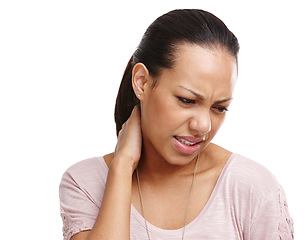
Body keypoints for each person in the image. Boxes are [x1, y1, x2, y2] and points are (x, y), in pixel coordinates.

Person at [59, 9, 294, 240]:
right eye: (187, 100)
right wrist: (122, 166)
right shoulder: (84, 183)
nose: (203, 126)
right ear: (141, 83)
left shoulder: (251, 188)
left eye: (219, 107)